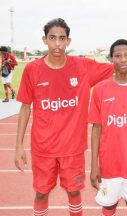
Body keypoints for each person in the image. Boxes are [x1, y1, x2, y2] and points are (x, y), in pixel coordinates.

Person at [14, 18, 114, 216]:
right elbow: (25, 108)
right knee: (41, 194)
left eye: (62, 38)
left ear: (69, 41)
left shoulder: (83, 67)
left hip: (73, 149)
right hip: (43, 148)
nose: (57, 44)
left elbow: (121, 65)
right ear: (45, 40)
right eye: (52, 38)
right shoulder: (32, 70)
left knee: (74, 192)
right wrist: (18, 146)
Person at [88, 39, 127, 216]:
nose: (123, 59)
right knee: (108, 206)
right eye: (117, 56)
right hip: (108, 164)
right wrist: (94, 165)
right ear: (110, 59)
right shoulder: (100, 89)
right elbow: (96, 129)